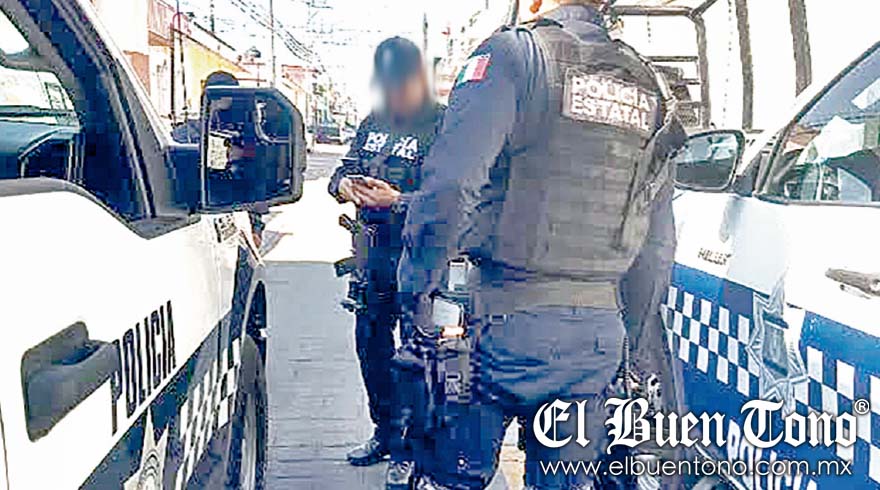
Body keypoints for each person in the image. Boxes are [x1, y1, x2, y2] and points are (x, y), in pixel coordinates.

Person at [398, 0, 687, 487]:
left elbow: (449, 191)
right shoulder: (650, 87)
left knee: (451, 477)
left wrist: (416, 292)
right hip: (594, 339)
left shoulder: (514, 55)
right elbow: (657, 244)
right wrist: (630, 343)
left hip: (491, 327)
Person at [327, 36, 446, 469]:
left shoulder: (444, 125)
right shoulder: (372, 123)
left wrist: (397, 200)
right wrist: (344, 185)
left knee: (419, 357)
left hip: (420, 259)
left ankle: (415, 448)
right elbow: (343, 169)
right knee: (371, 348)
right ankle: (385, 433)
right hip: (372, 257)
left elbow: (453, 197)